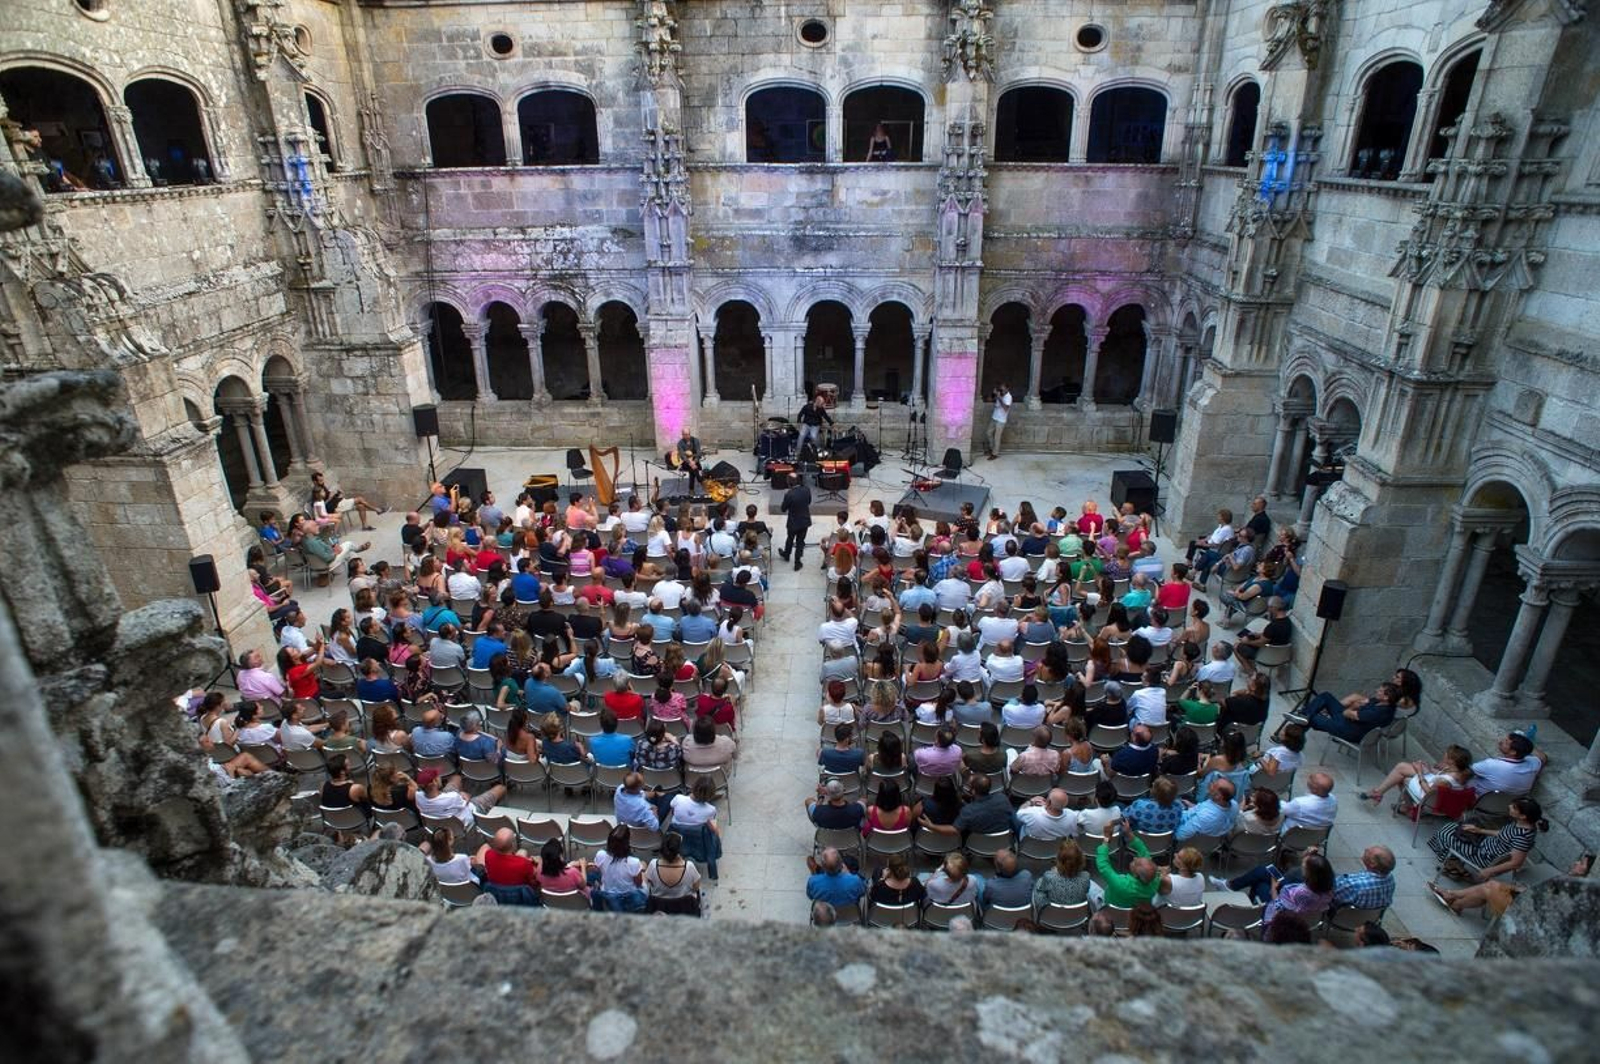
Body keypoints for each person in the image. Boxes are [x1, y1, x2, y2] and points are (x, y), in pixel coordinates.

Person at [1430, 796, 1547, 881]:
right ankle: (1455, 867)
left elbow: (1516, 863)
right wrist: (1479, 830)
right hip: (1485, 844)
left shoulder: (1523, 837)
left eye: (1514, 807)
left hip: (1484, 856)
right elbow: (1502, 834)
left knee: (1445, 833)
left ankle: (1453, 866)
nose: (1509, 806)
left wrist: (1489, 871)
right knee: (1456, 828)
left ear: (1523, 816)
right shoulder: (1522, 824)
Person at [1301, 681, 1400, 745]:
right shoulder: (1380, 702)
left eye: (1380, 691)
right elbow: (1358, 707)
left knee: (1312, 717)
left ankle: (1298, 728)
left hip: (1349, 732)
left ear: (1386, 697)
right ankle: (1302, 717)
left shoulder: (1381, 712)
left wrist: (1352, 710)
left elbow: (1349, 712)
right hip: (1349, 721)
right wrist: (1354, 709)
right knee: (1326, 696)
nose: (1377, 690)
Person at [413, 767, 507, 832]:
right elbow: (466, 800)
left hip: (441, 820)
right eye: (438, 776)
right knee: (501, 788)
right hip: (468, 815)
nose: (440, 777)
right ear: (434, 782)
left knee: (456, 778)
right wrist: (464, 795)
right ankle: (491, 810)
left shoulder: (418, 796)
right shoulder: (452, 797)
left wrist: (459, 794)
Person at [1095, 823, 1162, 908]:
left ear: (1135, 875)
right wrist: (1129, 833)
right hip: (1135, 912)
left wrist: (1106, 839)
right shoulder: (1155, 880)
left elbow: (1103, 866)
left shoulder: (1120, 883)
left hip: (1109, 908)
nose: (1135, 858)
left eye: (1136, 863)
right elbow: (1144, 851)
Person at [593, 825, 648, 912]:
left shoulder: (601, 855)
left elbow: (598, 872)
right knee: (644, 866)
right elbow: (638, 883)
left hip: (608, 892)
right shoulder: (633, 862)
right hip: (630, 895)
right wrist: (642, 870)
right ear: (627, 843)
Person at [1332, 845, 1397, 913]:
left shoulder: (1352, 884)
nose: (1366, 849)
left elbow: (1331, 895)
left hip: (1344, 916)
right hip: (1369, 918)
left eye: (1368, 852)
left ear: (1372, 864)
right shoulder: (1390, 879)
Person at [985, 382, 1012, 460]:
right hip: (995, 417)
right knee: (988, 433)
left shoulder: (1008, 397)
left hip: (1001, 420)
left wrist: (999, 398)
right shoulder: (1000, 394)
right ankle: (991, 448)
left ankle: (995, 453)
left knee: (997, 437)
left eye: (1003, 389)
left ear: (1007, 389)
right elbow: (989, 399)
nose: (1002, 391)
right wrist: (993, 394)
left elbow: (1006, 408)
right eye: (1001, 389)